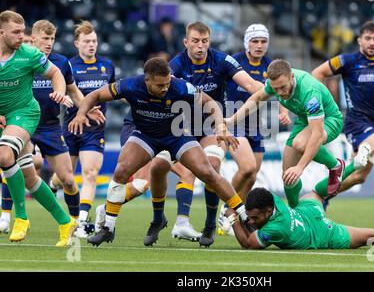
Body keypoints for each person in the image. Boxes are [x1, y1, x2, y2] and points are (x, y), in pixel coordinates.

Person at [68, 57, 249, 247]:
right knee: (122, 171)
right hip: (146, 135)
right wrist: (81, 114)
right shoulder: (130, 85)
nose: (164, 88)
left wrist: (221, 127)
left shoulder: (180, 87)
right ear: (147, 80)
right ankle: (108, 228)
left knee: (207, 172)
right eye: (160, 85)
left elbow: (210, 102)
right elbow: (95, 95)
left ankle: (244, 215)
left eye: (167, 83)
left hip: (176, 135)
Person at [145, 22, 265, 247]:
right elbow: (160, 96)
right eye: (195, 41)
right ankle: (158, 218)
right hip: (181, 126)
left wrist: (273, 90)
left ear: (209, 42)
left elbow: (249, 84)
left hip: (213, 125)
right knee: (157, 168)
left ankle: (209, 224)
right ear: (186, 42)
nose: (200, 46)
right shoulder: (176, 65)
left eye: (204, 41)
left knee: (210, 165)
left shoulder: (221, 60)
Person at [0, 20, 105, 234]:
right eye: (45, 38)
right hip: (17, 123)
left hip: (44, 124)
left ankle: (70, 221)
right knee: (21, 167)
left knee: (66, 177)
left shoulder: (51, 60)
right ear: (34, 38)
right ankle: (13, 217)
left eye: (52, 39)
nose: (49, 43)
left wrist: (85, 109)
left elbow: (71, 88)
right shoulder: (21, 53)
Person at [227, 59, 367, 215]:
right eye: (275, 89)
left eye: (282, 87)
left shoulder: (309, 90)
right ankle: (295, 212)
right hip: (304, 120)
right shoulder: (276, 83)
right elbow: (256, 98)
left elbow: (317, 134)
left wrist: (300, 167)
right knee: (287, 176)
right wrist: (232, 120)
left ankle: (336, 166)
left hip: (330, 119)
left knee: (300, 144)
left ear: (292, 77)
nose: (279, 92)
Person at [311, 21, 374, 226]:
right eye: (368, 38)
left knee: (358, 177)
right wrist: (323, 102)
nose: (372, 42)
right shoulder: (347, 60)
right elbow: (317, 73)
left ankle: (322, 194)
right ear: (359, 40)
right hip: (356, 123)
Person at [0, 10, 76, 246]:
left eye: (23, 32)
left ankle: (20, 217)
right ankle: (65, 221)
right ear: (1, 32)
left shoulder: (29, 54)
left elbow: (56, 73)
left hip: (25, 113)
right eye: (16, 32)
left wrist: (59, 92)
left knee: (4, 156)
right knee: (29, 176)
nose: (22, 36)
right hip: (5, 117)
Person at [218, 24, 290, 236]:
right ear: (246, 43)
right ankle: (226, 208)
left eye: (263, 41)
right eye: (255, 41)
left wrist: (284, 110)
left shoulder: (271, 66)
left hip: (256, 124)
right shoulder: (235, 62)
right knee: (247, 166)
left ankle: (234, 211)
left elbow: (281, 89)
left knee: (252, 175)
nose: (259, 45)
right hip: (235, 121)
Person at [224, 186, 374, 250]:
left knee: (372, 236)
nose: (251, 221)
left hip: (325, 235)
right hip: (308, 213)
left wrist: (234, 219)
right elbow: (252, 217)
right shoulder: (269, 198)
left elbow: (247, 244)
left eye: (254, 218)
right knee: (318, 193)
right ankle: (350, 166)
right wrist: (240, 210)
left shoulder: (275, 229)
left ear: (268, 211)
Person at [52, 20, 115, 238]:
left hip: (95, 130)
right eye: (87, 41)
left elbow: (116, 91)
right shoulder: (67, 66)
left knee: (90, 174)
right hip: (71, 128)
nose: (91, 45)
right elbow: (66, 92)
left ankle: (80, 221)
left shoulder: (107, 66)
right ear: (76, 43)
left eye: (94, 41)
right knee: (65, 177)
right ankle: (52, 184)